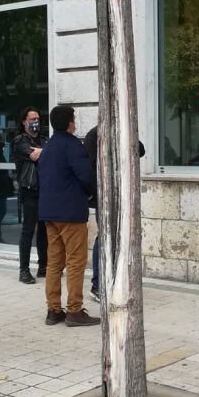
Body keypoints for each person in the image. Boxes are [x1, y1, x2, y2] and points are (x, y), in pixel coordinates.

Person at [38, 105, 99, 327]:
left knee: (54, 262)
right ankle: (74, 310)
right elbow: (86, 176)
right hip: (70, 212)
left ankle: (53, 310)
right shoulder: (73, 146)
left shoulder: (49, 146)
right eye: (74, 119)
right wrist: (93, 191)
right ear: (69, 122)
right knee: (75, 261)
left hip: (49, 212)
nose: (75, 122)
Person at [83, 124, 145, 302]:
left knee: (118, 237)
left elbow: (140, 150)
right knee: (103, 238)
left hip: (121, 192)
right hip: (104, 195)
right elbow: (91, 167)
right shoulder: (94, 134)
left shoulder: (122, 130)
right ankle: (97, 285)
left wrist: (129, 134)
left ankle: (115, 281)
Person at [12, 107, 47, 284]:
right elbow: (34, 156)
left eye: (38, 118)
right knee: (28, 230)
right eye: (32, 118)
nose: (36, 122)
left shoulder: (42, 139)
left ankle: (43, 266)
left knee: (44, 230)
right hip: (29, 190)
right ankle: (24, 270)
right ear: (24, 121)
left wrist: (42, 151)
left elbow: (48, 155)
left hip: (44, 190)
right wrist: (43, 152)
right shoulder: (20, 141)